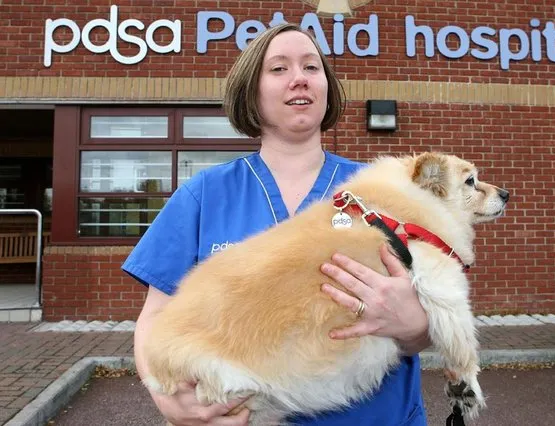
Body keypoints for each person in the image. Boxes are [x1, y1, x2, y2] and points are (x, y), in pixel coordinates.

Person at [123, 23, 431, 426]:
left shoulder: (386, 192)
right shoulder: (204, 196)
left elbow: (434, 311)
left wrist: (417, 328)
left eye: (311, 67)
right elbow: (155, 318)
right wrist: (167, 399)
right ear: (251, 91)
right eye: (279, 69)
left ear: (326, 87)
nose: (299, 78)